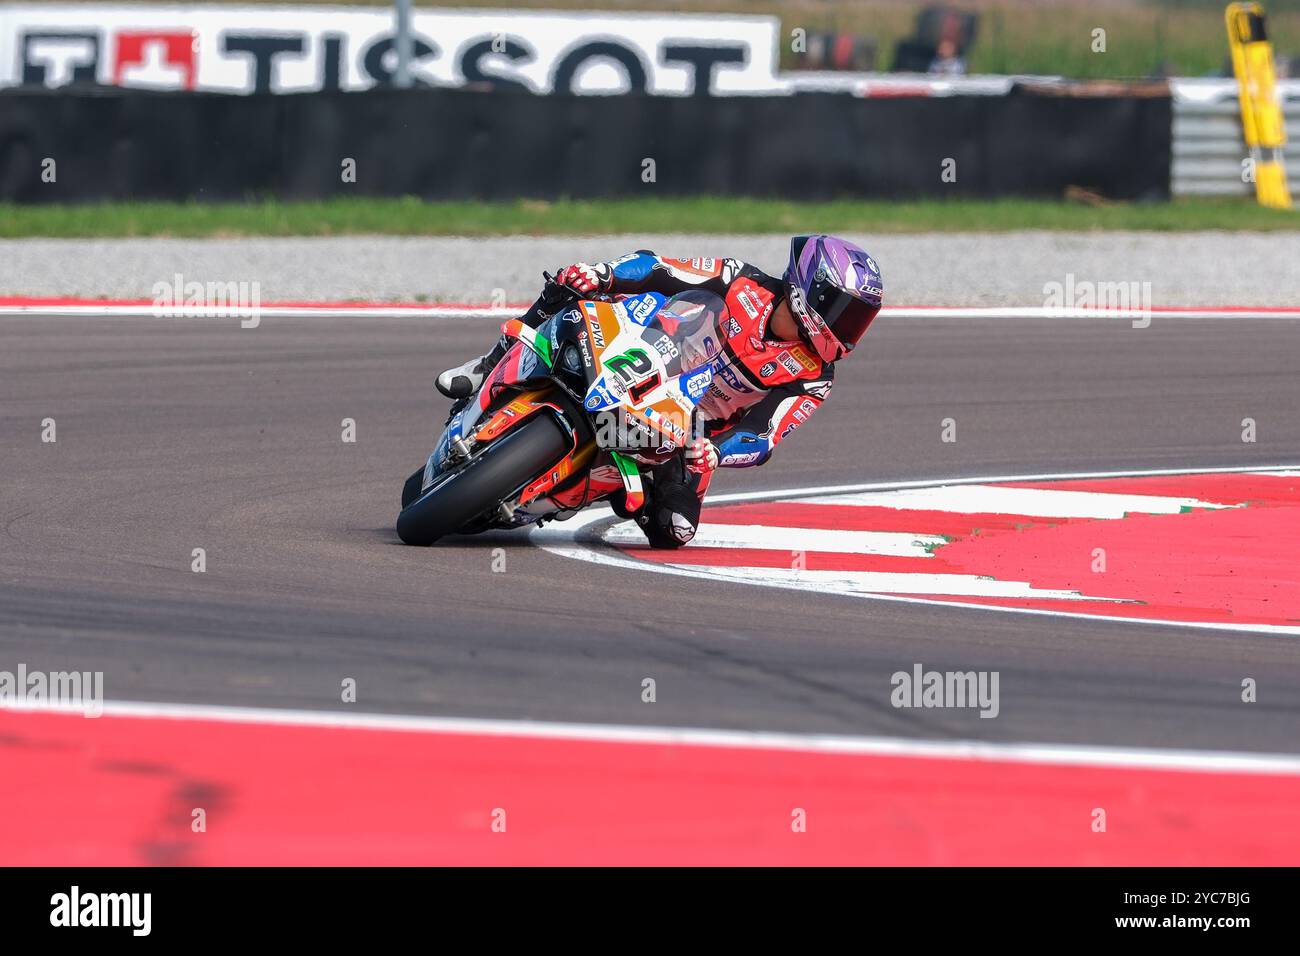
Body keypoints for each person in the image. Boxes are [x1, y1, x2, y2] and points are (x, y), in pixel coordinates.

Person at [436, 236, 884, 548]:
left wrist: (717, 453)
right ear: (812, 290)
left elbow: (764, 434)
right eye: (847, 314)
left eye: (859, 319)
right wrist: (604, 274)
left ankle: (584, 489)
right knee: (570, 284)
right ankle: (488, 365)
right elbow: (659, 268)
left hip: (690, 428)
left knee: (675, 531)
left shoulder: (813, 377)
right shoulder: (738, 279)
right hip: (646, 348)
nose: (850, 330)